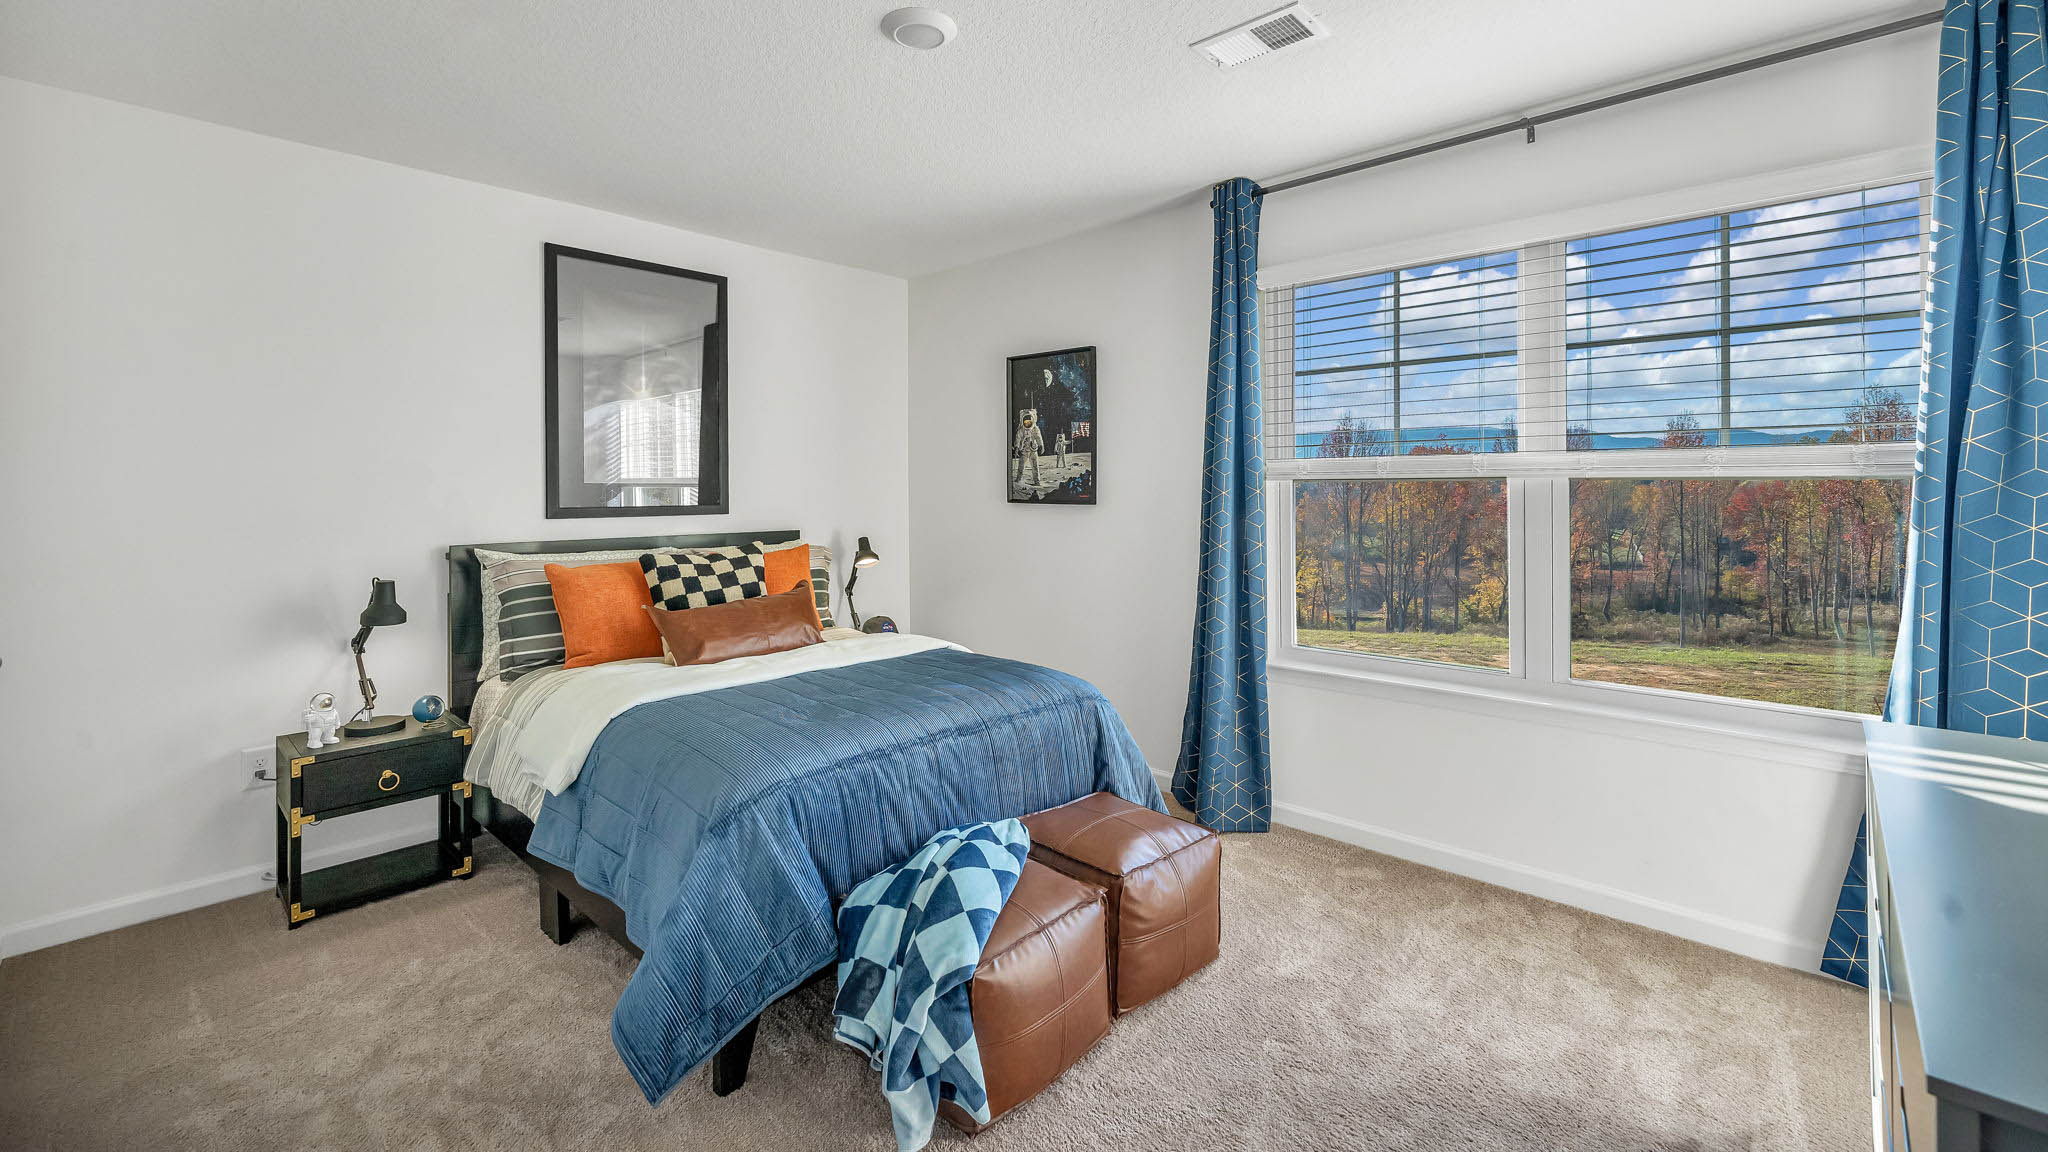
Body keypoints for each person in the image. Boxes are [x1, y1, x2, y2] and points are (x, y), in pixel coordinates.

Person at [1013, 409, 1043, 493]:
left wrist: (1041, 446)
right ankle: (1018, 479)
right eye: (1025, 422)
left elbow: (1038, 438)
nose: (1027, 423)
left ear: (1033, 420)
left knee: (1035, 466)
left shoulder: (1035, 429)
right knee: (1021, 465)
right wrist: (1017, 448)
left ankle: (1037, 481)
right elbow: (1018, 439)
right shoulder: (1021, 430)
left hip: (1033, 450)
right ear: (1022, 421)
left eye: (1029, 421)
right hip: (1024, 451)